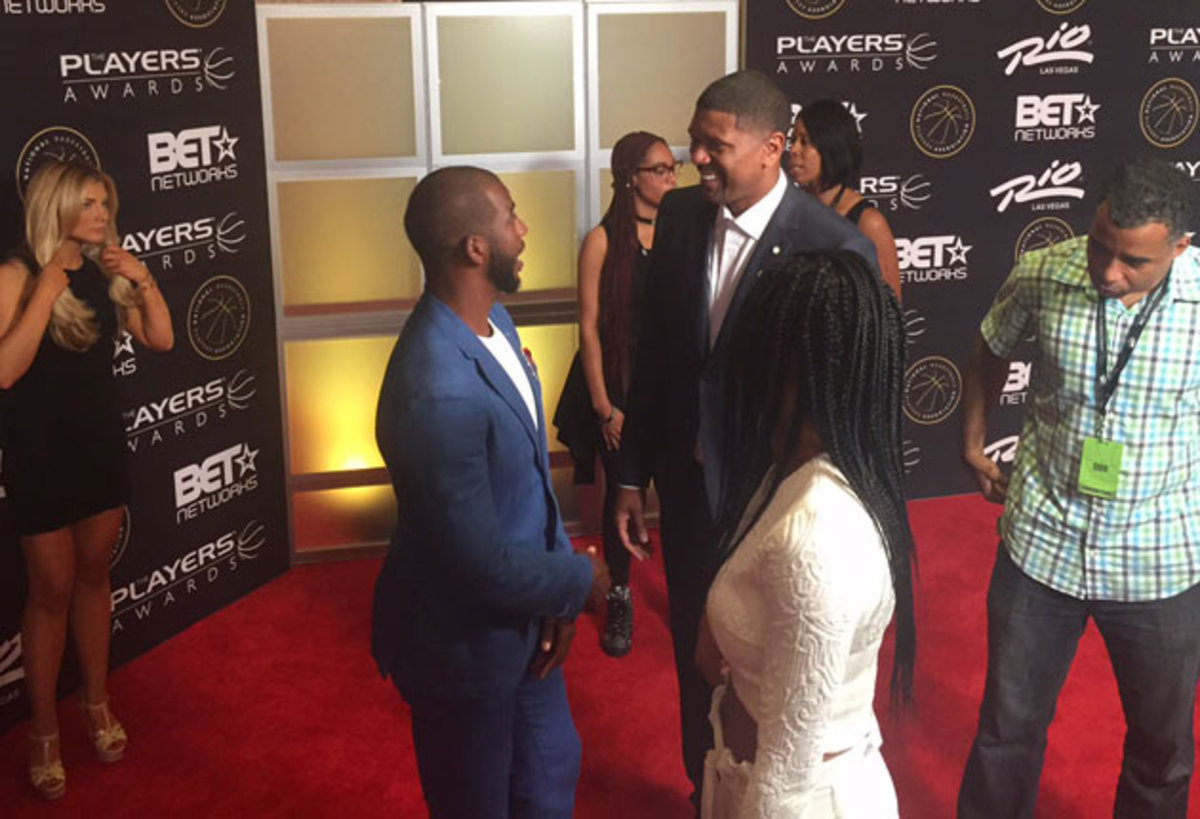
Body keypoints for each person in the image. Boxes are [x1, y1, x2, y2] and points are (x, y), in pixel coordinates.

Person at [613, 69, 880, 807]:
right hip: (691, 495)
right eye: (694, 140)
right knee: (692, 649)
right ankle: (706, 787)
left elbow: (841, 400)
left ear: (771, 148)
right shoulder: (678, 220)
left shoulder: (835, 249)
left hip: (776, 509)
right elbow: (658, 354)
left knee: (772, 670)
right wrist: (631, 474)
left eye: (714, 145)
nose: (696, 156)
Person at [957, 158, 1200, 818]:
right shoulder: (1044, 269)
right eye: (1100, 246)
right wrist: (973, 438)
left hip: (1159, 562)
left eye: (1133, 260)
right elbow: (989, 343)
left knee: (1163, 749)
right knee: (1006, 732)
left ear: (1179, 247)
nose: (1108, 270)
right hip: (1042, 546)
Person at [371, 166, 611, 818]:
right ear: (476, 247)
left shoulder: (495, 324)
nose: (523, 229)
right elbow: (474, 562)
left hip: (527, 625)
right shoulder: (437, 389)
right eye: (510, 216)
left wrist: (555, 600)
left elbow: (529, 482)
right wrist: (578, 581)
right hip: (462, 650)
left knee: (549, 772)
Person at [696, 249, 915, 817]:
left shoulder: (818, 537)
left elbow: (787, 781)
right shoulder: (798, 467)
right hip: (756, 777)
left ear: (781, 369)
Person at [0, 160, 174, 800]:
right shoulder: (14, 275)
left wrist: (143, 278)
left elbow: (161, 339)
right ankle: (43, 730)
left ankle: (96, 704)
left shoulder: (108, 271)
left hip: (99, 448)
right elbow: (4, 373)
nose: (102, 215)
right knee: (49, 590)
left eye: (106, 203)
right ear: (57, 207)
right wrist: (45, 290)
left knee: (95, 576)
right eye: (90, 204)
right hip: (39, 457)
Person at [554, 130, 677, 657]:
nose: (672, 179)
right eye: (660, 170)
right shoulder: (601, 240)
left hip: (668, 392)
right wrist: (604, 405)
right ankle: (620, 596)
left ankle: (692, 597)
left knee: (673, 495)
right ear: (631, 176)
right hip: (618, 393)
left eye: (674, 169)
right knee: (621, 499)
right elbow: (589, 329)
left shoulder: (679, 231)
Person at [788, 98, 901, 300]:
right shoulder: (791, 209)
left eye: (805, 142)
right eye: (793, 140)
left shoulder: (869, 223)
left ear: (830, 146)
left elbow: (890, 308)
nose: (793, 150)